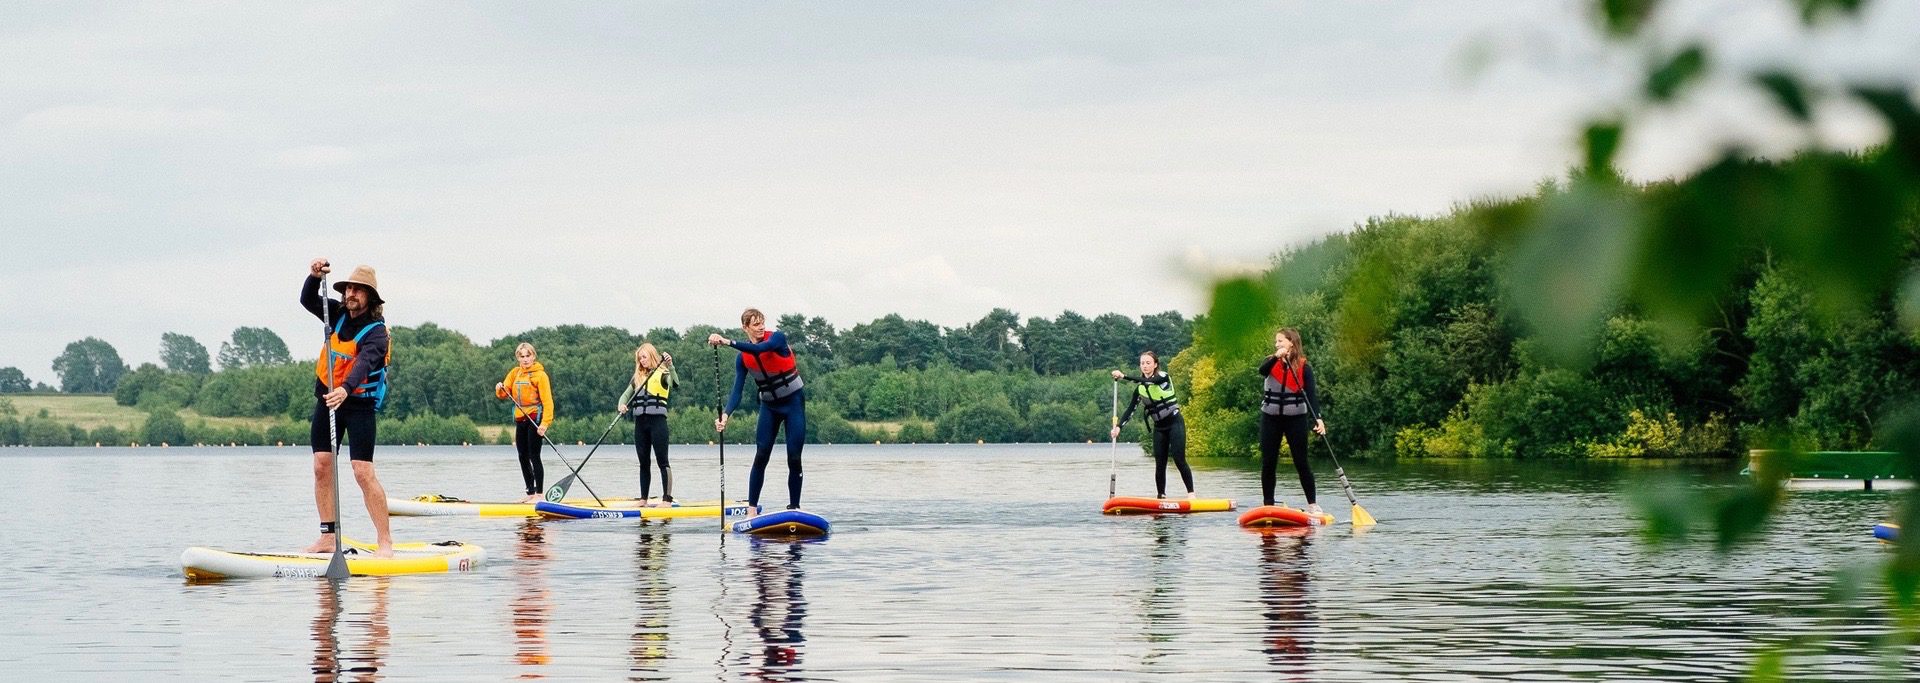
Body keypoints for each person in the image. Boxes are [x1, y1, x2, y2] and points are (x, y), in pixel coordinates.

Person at [300, 258, 394, 557]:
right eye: (348, 288)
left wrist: (345, 389)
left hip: (358, 405)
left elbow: (364, 363)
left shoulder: (377, 333)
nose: (351, 293)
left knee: (362, 471)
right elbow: (307, 300)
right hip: (328, 401)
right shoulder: (336, 313)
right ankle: (328, 537)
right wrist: (313, 277)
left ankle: (385, 542)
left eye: (358, 290)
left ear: (370, 297)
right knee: (321, 466)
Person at [710, 308, 806, 514]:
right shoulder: (742, 359)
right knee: (761, 454)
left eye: (762, 322)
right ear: (745, 327)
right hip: (769, 406)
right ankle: (751, 509)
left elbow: (761, 349)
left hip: (793, 403)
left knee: (794, 457)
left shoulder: (777, 338)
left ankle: (794, 507)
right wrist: (725, 415)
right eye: (755, 324)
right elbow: (737, 391)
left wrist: (727, 342)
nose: (761, 327)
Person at [1258, 328, 1327, 516]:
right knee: (1268, 462)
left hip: (1295, 419)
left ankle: (1313, 504)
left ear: (1291, 342)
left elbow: (1311, 396)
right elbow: (1262, 371)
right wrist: (1276, 357)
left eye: (1280, 341)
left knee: (1301, 462)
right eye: (1276, 341)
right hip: (1271, 418)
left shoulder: (1304, 367)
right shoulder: (1270, 362)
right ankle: (1268, 504)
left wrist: (1318, 419)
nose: (1276, 344)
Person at [1111, 350, 1195, 499]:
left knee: (1179, 459)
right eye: (1142, 363)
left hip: (1175, 423)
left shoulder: (1163, 377)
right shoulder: (1140, 390)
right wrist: (1118, 427)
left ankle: (1191, 494)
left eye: (1148, 363)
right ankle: (1161, 496)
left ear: (1155, 364)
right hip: (1159, 428)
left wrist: (1124, 376)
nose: (1145, 366)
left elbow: (1151, 381)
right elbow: (1130, 410)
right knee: (1160, 463)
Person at [616, 343, 677, 505]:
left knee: (662, 461)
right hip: (640, 424)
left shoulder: (663, 373)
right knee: (644, 462)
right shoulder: (637, 378)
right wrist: (621, 405)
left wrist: (670, 366)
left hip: (658, 422)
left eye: (644, 357)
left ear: (652, 356)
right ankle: (643, 499)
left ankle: (667, 500)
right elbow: (625, 396)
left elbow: (674, 383)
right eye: (639, 358)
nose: (642, 360)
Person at [496, 342, 555, 503]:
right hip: (520, 417)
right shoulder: (515, 373)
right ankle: (530, 492)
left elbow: (548, 402)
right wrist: (499, 387)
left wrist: (544, 424)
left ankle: (540, 494)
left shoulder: (540, 376)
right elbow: (503, 394)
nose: (525, 359)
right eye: (522, 356)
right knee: (522, 455)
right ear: (518, 358)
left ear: (533, 356)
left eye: (528, 356)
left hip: (535, 417)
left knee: (534, 455)